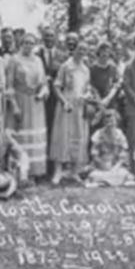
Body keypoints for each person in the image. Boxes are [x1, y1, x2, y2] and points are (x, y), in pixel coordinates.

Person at [48, 38, 92, 185]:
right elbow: (56, 86)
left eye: (84, 50)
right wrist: (64, 101)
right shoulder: (66, 66)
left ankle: (74, 171)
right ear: (75, 50)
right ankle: (58, 171)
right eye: (80, 49)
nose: (81, 52)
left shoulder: (86, 69)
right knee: (62, 136)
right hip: (67, 105)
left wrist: (87, 95)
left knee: (79, 136)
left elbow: (87, 88)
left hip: (80, 106)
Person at [8, 33, 51, 181]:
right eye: (25, 42)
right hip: (21, 101)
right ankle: (21, 171)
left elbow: (44, 82)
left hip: (36, 103)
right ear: (21, 44)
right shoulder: (14, 60)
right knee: (21, 136)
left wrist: (43, 91)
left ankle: (36, 171)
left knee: (35, 135)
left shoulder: (38, 60)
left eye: (31, 43)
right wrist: (14, 106)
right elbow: (9, 85)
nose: (28, 45)